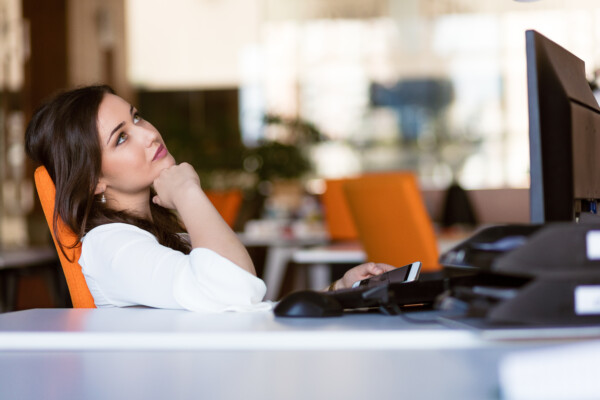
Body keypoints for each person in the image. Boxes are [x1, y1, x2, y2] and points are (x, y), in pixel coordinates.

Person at [25, 85, 395, 312]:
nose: (149, 134)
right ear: (93, 181)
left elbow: (243, 309)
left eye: (137, 118)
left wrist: (337, 293)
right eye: (121, 137)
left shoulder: (157, 240)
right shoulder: (110, 246)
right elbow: (235, 289)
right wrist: (187, 190)